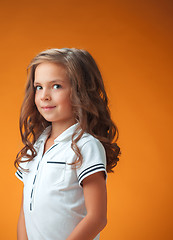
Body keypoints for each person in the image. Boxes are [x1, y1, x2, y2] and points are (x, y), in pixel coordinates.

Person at [14, 48, 121, 240]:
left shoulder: (86, 146)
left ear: (80, 91)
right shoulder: (36, 147)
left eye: (56, 86)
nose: (44, 96)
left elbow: (97, 218)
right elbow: (25, 211)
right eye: (39, 87)